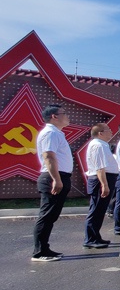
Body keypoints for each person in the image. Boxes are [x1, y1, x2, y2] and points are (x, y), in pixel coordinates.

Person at [31, 104, 72, 261]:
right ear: (54, 116)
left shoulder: (56, 133)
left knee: (51, 216)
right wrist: (56, 179)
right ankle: (39, 252)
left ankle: (44, 248)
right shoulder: (50, 133)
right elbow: (48, 156)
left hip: (59, 176)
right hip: (53, 177)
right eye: (64, 113)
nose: (67, 116)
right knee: (47, 215)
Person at [83, 123, 118, 248]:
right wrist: (104, 184)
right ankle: (90, 239)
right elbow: (99, 167)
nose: (111, 131)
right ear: (100, 133)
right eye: (108, 130)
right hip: (100, 180)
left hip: (105, 178)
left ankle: (96, 236)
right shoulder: (97, 145)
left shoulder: (103, 144)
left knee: (100, 210)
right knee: (96, 210)